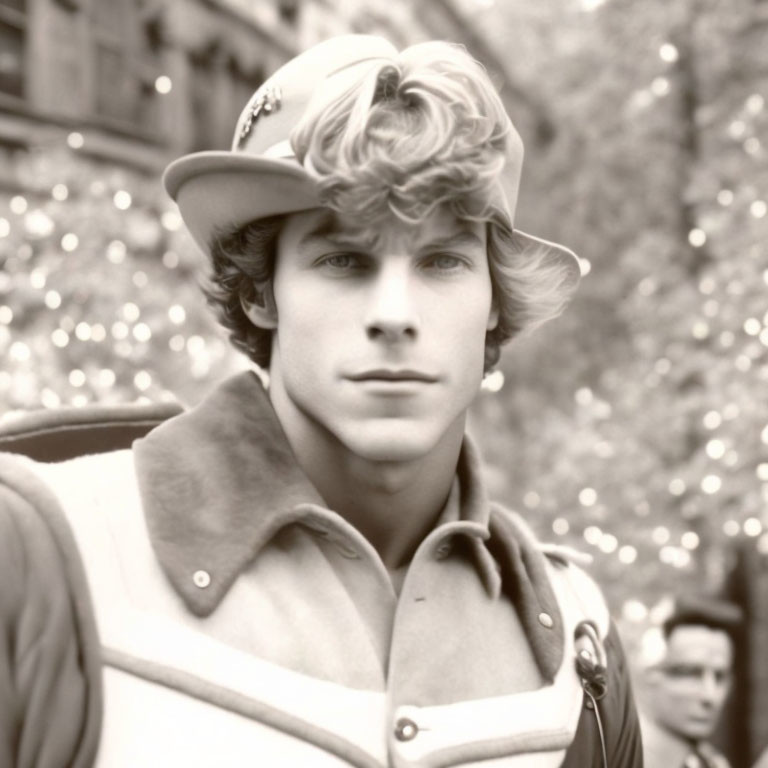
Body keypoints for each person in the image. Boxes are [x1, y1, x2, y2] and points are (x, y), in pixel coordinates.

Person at [0, 35, 643, 766]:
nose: (395, 312)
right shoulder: (46, 552)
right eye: (344, 259)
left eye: (443, 259)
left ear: (494, 300)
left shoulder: (577, 640)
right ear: (260, 291)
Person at [639, 595, 742, 768]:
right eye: (691, 673)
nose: (710, 696)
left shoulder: (714, 763)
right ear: (653, 675)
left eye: (719, 677)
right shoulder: (618, 757)